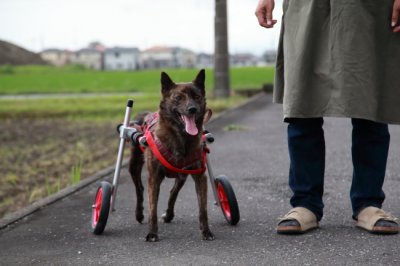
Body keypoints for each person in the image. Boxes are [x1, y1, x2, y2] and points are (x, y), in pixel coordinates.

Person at [255, 0, 400, 234]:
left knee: (370, 101)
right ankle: (305, 204)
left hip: (369, 8)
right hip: (306, 6)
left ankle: (369, 203)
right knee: (303, 101)